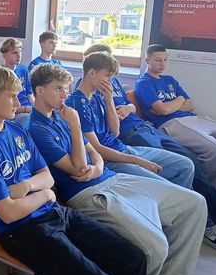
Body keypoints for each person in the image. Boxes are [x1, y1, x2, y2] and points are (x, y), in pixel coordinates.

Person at [0, 65, 147, 275]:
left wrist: (29, 186)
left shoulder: (16, 129)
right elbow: (8, 212)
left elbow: (47, 176)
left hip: (54, 213)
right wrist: (45, 194)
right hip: (23, 231)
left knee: (133, 259)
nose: (18, 102)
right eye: (12, 96)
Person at [27, 63, 210, 275]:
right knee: (155, 247)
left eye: (66, 88)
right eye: (58, 89)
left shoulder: (61, 115)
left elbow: (94, 151)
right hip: (88, 193)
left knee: (195, 203)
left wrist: (98, 166)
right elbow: (78, 168)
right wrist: (75, 126)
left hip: (110, 177)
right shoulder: (36, 127)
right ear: (40, 91)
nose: (64, 94)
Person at [80, 43, 216, 255]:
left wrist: (128, 108)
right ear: (91, 70)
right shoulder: (89, 93)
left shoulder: (113, 83)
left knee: (190, 161)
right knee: (183, 166)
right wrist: (113, 109)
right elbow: (105, 132)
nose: (110, 75)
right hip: (130, 135)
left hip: (146, 127)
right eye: (106, 71)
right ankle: (209, 222)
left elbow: (132, 105)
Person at [136, 44, 216, 203]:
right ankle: (211, 196)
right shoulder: (144, 83)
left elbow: (190, 105)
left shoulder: (170, 80)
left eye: (165, 60)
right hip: (170, 123)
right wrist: (178, 100)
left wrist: (173, 104)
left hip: (193, 118)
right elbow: (163, 111)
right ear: (147, 60)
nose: (162, 64)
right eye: (158, 60)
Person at [66, 52, 195, 188]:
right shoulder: (77, 103)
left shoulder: (98, 96)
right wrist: (137, 161)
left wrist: (109, 100)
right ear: (92, 73)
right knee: (165, 185)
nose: (110, 81)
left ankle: (181, 199)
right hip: (110, 159)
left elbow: (115, 132)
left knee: (186, 165)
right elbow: (96, 148)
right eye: (107, 75)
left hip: (123, 148)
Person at [0, 37, 33, 124]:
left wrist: (38, 108)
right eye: (14, 53)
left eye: (20, 52)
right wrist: (26, 109)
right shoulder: (0, 74)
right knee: (28, 119)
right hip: (14, 111)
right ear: (4, 55)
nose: (19, 55)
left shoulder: (24, 70)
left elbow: (30, 95)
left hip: (28, 107)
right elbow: (2, 106)